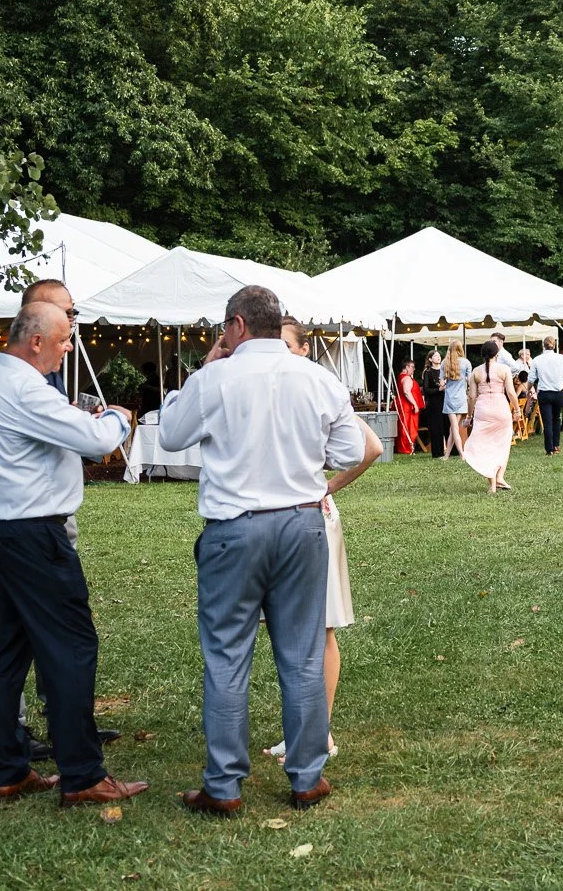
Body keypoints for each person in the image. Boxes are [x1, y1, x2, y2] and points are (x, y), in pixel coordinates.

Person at [161, 285, 379, 816]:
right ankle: (306, 777)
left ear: (236, 326)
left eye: (221, 331)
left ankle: (225, 785)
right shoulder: (316, 378)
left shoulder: (214, 378)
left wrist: (208, 364)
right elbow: (352, 449)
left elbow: (170, 434)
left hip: (234, 529)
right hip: (301, 524)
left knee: (227, 658)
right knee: (303, 654)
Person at [0, 301, 142, 807]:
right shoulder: (22, 388)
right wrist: (116, 416)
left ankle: (8, 769)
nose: (69, 347)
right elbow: (94, 440)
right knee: (71, 647)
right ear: (36, 340)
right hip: (32, 533)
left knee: (6, 651)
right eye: (64, 337)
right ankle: (83, 775)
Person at [265, 318, 382, 764]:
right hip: (283, 521)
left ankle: (322, 733)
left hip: (314, 519)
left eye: (283, 344)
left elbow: (370, 447)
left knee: (320, 628)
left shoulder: (318, 387)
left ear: (302, 351)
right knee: (289, 631)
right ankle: (301, 728)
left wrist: (329, 487)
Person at [462, 337, 518, 492]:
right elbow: (511, 393)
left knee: (485, 445)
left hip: (483, 409)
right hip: (500, 408)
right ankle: (499, 477)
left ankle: (492, 484)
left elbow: (472, 396)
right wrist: (518, 410)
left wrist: (468, 416)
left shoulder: (476, 372)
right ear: (497, 353)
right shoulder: (504, 369)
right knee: (503, 443)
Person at [530, 335, 563, 456]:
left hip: (544, 393)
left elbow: (531, 378)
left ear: (543, 345)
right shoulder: (562, 358)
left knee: (547, 421)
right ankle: (556, 445)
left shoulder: (537, 360)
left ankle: (549, 448)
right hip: (558, 392)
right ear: (555, 345)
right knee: (556, 418)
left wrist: (528, 390)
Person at [439, 346, 472, 459]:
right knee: (454, 428)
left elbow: (442, 381)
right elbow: (470, 379)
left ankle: (459, 454)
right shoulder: (466, 362)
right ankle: (450, 455)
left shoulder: (444, 363)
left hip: (449, 398)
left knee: (454, 427)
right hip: (461, 397)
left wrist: (445, 384)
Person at [394, 359, 423, 456]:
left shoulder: (400, 377)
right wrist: (414, 404)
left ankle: (405, 448)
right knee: (409, 427)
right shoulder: (407, 378)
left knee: (403, 426)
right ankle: (407, 448)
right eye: (412, 367)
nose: (413, 370)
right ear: (407, 367)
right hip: (407, 406)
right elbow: (407, 392)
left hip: (401, 404)